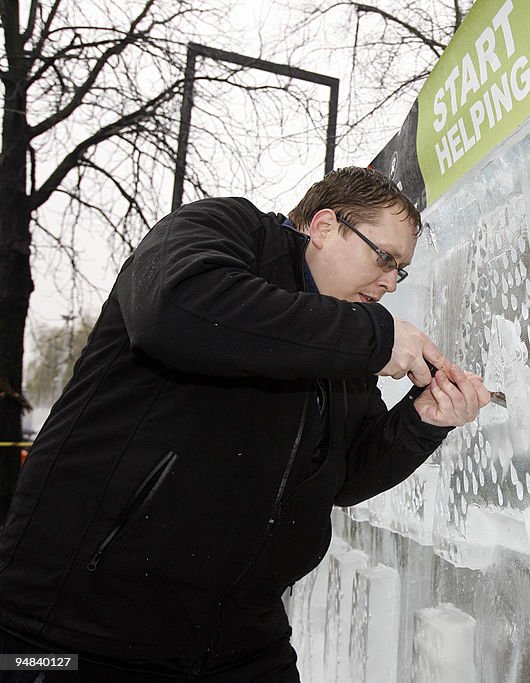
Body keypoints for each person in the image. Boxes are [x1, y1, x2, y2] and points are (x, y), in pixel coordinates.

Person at [0, 167, 491, 681]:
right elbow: (174, 311)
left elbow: (343, 479)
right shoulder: (226, 230)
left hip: (241, 640)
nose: (391, 281)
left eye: (401, 270)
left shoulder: (342, 342)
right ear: (324, 227)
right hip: (75, 630)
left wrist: (422, 421)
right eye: (384, 258)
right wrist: (372, 339)